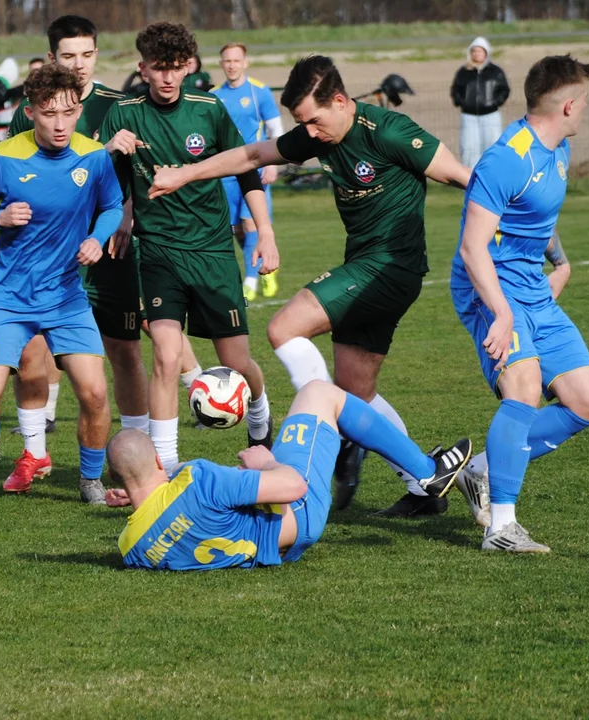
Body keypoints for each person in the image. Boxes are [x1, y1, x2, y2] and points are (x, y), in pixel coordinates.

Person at [149, 55, 471, 518]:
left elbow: (465, 179)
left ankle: (332, 433)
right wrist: (183, 173)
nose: (311, 134)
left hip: (389, 267)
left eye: (315, 122)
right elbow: (253, 154)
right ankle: (424, 485)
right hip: (367, 266)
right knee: (355, 395)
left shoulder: (391, 131)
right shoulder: (321, 130)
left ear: (340, 101)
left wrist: (522, 232)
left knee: (283, 328)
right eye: (303, 125)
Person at [100, 22, 279, 472]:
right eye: (158, 69)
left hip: (214, 251)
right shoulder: (124, 113)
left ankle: (257, 404)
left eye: (175, 68)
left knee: (235, 362)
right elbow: (100, 181)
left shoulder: (209, 109)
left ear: (189, 67)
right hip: (158, 251)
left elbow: (247, 169)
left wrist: (266, 233)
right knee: (164, 352)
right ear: (142, 68)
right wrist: (108, 154)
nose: (166, 78)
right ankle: (165, 465)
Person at [450, 55, 589, 553]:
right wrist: (502, 312)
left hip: (532, 285)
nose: (586, 111)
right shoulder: (506, 157)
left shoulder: (555, 150)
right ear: (567, 105)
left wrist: (560, 261)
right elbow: (473, 248)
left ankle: (483, 469)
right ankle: (502, 528)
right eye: (584, 102)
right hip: (489, 286)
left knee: (586, 401)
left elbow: (537, 214)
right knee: (524, 387)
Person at [0, 64, 124, 504]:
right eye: (50, 113)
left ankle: (90, 481)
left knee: (95, 391)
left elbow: (112, 206)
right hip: (5, 298)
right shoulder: (3, 158)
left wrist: (96, 238)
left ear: (79, 110)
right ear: (30, 112)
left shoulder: (94, 156)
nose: (61, 123)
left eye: (69, 112)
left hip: (66, 298)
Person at [2, 15, 154, 493]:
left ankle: (139, 455)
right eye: (69, 56)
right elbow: (9, 172)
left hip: (109, 247)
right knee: (33, 350)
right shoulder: (28, 109)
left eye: (87, 54)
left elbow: (132, 173)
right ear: (52, 59)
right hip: (46, 256)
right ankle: (36, 456)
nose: (80, 64)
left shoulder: (118, 103)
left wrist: (127, 213)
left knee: (124, 349)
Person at [108, 380, 472, 570]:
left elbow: (176, 518)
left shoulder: (130, 546)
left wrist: (149, 493)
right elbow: (292, 486)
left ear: (120, 480)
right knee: (319, 393)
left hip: (272, 548)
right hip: (299, 510)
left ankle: (362, 454)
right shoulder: (199, 480)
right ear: (158, 460)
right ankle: (428, 474)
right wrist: (265, 462)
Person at [214, 42, 284, 301]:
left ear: (245, 63)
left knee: (250, 221)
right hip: (227, 174)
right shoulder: (215, 95)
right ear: (221, 64)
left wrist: (272, 164)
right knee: (239, 231)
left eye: (236, 60)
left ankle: (251, 281)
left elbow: (276, 130)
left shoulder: (259, 92)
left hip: (255, 168)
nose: (232, 65)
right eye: (227, 61)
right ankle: (264, 261)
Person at [451, 37, 510, 169]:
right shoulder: (463, 72)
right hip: (469, 116)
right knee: (469, 148)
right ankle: (470, 179)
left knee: (492, 146)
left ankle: (493, 176)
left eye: (480, 51)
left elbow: (504, 90)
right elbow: (455, 90)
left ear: (486, 52)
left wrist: (494, 103)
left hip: (490, 116)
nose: (477, 54)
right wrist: (462, 103)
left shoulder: (495, 72)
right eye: (474, 51)